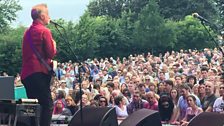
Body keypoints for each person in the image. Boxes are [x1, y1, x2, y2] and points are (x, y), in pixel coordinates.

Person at [21, 3, 57, 126]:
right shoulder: (44, 31)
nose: (49, 17)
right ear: (42, 16)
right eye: (48, 14)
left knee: (33, 106)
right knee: (47, 104)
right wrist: (54, 45)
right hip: (39, 72)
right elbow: (50, 53)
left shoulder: (27, 32)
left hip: (27, 75)